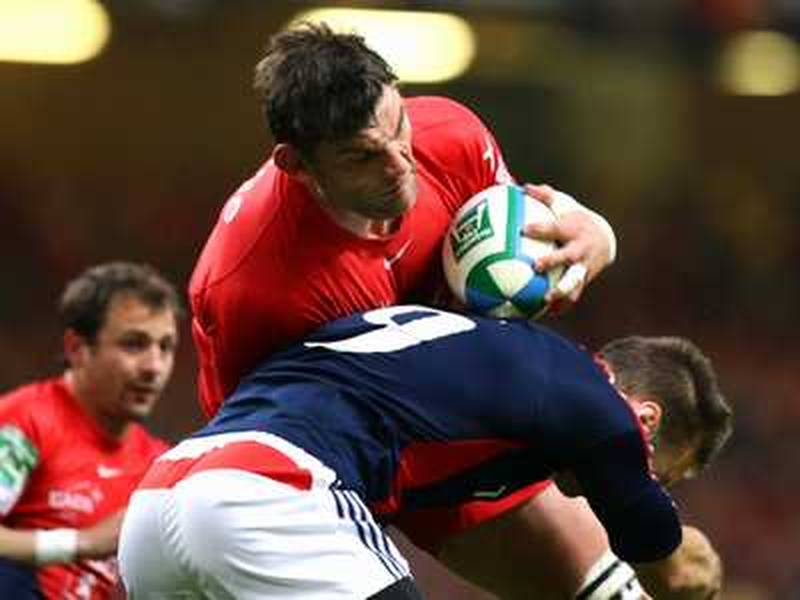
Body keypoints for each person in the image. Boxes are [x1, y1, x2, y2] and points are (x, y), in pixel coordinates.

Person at [188, 22, 631, 599]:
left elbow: (512, 268)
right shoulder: (255, 291)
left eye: (398, 126)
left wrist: (595, 235)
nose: (399, 162)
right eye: (362, 157)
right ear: (297, 165)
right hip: (337, 467)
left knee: (674, 572)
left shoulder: (450, 133)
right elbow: (256, 451)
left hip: (442, 409)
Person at [119, 305, 733, 599]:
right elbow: (659, 550)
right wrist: (691, 565)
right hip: (275, 493)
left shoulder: (496, 356)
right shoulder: (594, 400)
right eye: (661, 472)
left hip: (157, 505)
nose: (641, 476)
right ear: (645, 421)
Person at [0, 261, 182, 599]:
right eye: (133, 344)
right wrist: (81, 543)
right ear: (77, 349)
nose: (153, 367)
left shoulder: (163, 467)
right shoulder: (25, 422)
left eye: (165, 347)